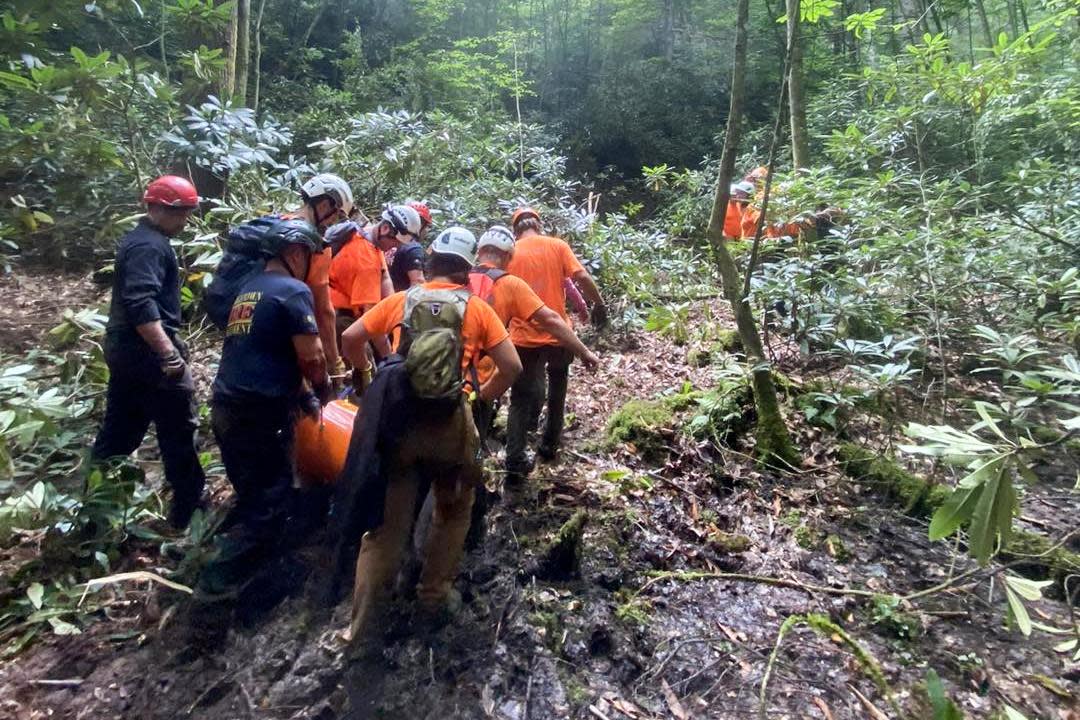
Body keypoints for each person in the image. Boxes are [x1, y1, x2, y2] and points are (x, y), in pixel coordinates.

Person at [338, 226, 521, 653]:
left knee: (387, 527)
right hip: (450, 423)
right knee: (454, 508)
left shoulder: (405, 299)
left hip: (401, 423)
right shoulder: (476, 308)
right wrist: (477, 401)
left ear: (433, 259)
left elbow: (350, 339)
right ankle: (432, 598)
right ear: (466, 268)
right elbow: (510, 366)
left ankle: (362, 629)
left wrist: (368, 376)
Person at [200, 218, 331, 594]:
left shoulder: (249, 289)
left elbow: (266, 348)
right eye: (309, 256)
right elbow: (313, 356)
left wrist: (302, 394)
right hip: (260, 413)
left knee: (254, 489)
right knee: (272, 503)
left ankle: (230, 548)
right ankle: (222, 581)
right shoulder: (292, 291)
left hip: (227, 406)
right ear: (294, 254)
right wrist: (321, 391)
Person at [92, 175, 205, 529]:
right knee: (178, 426)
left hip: (126, 350)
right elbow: (140, 302)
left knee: (121, 429)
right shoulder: (149, 246)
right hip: (145, 353)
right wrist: (168, 354)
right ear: (157, 208)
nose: (183, 221)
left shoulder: (144, 240)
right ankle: (187, 512)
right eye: (179, 213)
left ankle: (92, 508)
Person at [504, 207, 606, 480]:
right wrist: (598, 303)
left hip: (523, 335)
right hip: (559, 333)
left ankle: (514, 457)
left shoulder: (510, 252)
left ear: (516, 230)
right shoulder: (557, 246)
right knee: (558, 384)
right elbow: (581, 277)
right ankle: (549, 444)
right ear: (539, 225)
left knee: (521, 397)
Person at [469, 224, 600, 432]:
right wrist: (583, 349)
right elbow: (555, 313)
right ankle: (547, 442)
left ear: (478, 251)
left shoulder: (458, 279)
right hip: (482, 379)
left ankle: (515, 446)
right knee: (554, 386)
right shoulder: (511, 282)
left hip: (447, 378)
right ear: (507, 256)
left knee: (521, 396)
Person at [293, 173, 355, 380]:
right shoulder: (316, 245)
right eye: (336, 214)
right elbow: (324, 310)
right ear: (325, 204)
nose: (333, 223)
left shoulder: (272, 225)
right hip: (291, 335)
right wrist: (334, 361)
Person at [387, 200, 431, 292]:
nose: (427, 231)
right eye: (427, 226)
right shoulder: (413, 248)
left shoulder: (390, 242)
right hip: (400, 300)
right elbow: (418, 283)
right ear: (419, 224)